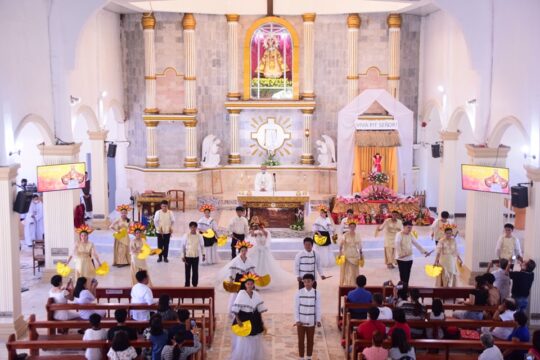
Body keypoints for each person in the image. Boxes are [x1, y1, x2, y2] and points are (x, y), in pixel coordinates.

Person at [248, 216, 293, 290]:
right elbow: (252, 235)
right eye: (258, 226)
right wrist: (252, 230)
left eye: (261, 226)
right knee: (254, 266)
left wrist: (261, 230)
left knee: (265, 266)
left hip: (264, 251)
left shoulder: (266, 232)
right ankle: (255, 283)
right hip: (257, 250)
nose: (259, 227)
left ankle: (264, 282)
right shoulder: (255, 232)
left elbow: (266, 235)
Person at [230, 273, 267, 360]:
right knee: (245, 339)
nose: (250, 286)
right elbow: (236, 309)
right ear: (245, 285)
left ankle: (254, 356)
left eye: (251, 284)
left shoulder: (256, 294)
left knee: (255, 338)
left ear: (254, 285)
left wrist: (262, 323)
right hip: (244, 319)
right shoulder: (241, 294)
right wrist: (238, 320)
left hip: (255, 319)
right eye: (248, 284)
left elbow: (259, 310)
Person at [294, 273, 321, 360]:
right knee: (301, 341)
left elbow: (318, 307)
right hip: (301, 321)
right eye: (305, 282)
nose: (307, 284)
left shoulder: (317, 293)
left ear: (313, 282)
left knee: (310, 340)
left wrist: (318, 320)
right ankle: (301, 357)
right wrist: (297, 319)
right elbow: (296, 307)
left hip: (311, 321)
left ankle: (309, 357)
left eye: (309, 282)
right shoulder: (298, 293)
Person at [395, 221, 429, 285]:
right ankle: (403, 291)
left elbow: (416, 243)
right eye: (408, 227)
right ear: (404, 227)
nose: (410, 229)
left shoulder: (410, 234)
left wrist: (424, 251)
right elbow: (397, 244)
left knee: (407, 274)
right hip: (401, 259)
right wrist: (400, 254)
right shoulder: (399, 234)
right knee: (403, 275)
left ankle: (406, 287)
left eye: (411, 228)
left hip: (409, 258)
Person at [338, 221, 363, 286]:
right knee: (347, 271)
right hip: (346, 254)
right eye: (351, 227)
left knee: (354, 271)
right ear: (349, 227)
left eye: (353, 227)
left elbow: (360, 245)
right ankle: (347, 283)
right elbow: (341, 244)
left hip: (355, 254)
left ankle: (354, 283)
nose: (352, 228)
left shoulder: (358, 235)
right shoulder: (345, 235)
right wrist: (340, 253)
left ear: (355, 227)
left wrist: (361, 254)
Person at [181, 222, 205, 287]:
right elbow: (183, 246)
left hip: (195, 256)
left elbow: (202, 246)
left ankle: (195, 284)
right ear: (189, 228)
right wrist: (182, 256)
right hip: (187, 256)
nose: (193, 228)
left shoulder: (199, 236)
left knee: (195, 271)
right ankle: (187, 284)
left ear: (196, 228)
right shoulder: (186, 235)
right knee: (187, 271)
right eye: (191, 227)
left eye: (194, 227)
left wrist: (203, 254)